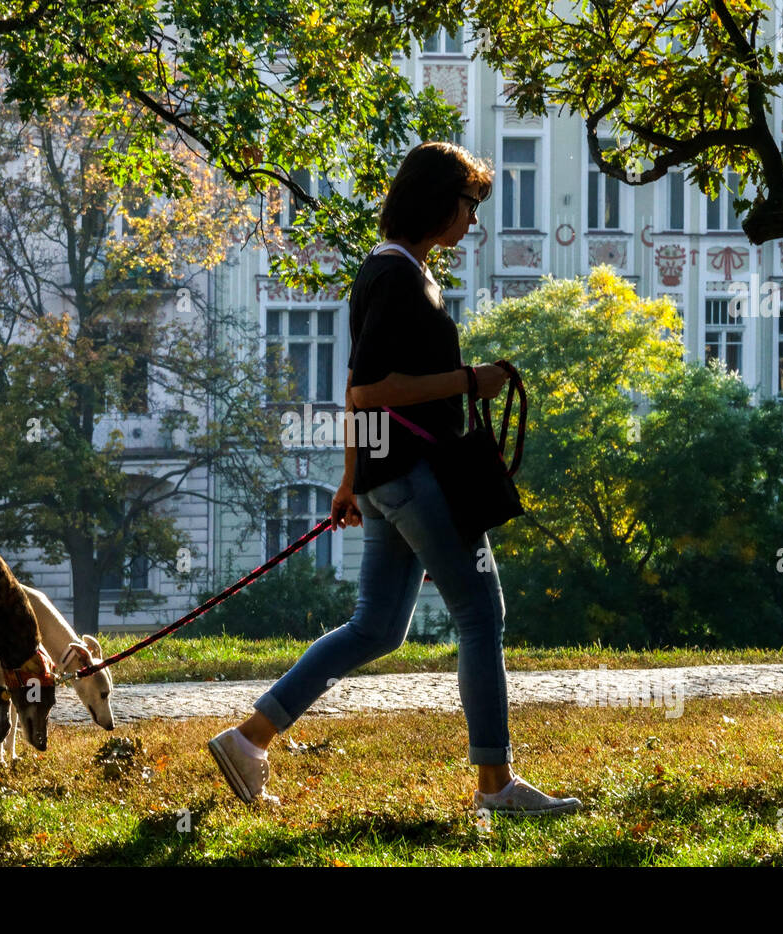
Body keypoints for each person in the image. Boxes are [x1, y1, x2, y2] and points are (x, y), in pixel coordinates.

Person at [208, 142, 583, 817]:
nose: (475, 220)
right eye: (470, 204)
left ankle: (248, 739)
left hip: (388, 481)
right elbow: (372, 389)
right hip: (417, 479)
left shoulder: (396, 272)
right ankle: (496, 785)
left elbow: (358, 385)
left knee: (375, 628)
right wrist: (474, 380)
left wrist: (353, 480)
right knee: (481, 614)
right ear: (437, 200)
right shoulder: (399, 278)